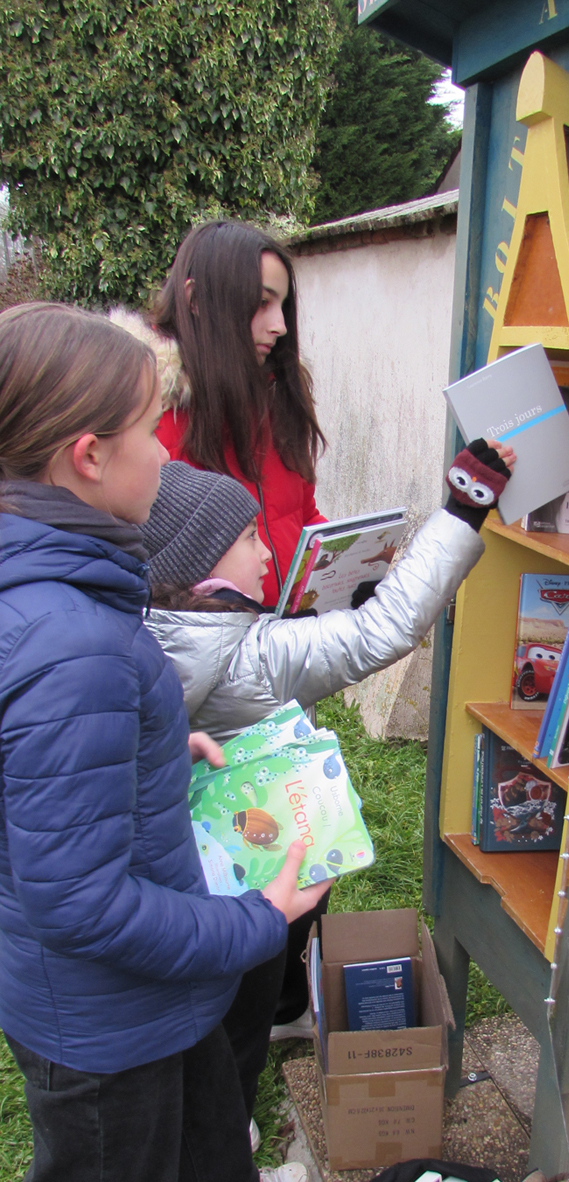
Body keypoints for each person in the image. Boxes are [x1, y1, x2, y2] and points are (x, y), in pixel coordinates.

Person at [0, 302, 329, 1182]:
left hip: (138, 1014)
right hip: (112, 1037)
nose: (167, 456)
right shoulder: (72, 639)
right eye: (153, 432)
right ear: (90, 454)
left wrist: (144, 748)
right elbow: (82, 904)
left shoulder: (41, 588)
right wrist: (255, 924)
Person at [139, 439, 515, 1127]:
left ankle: (238, 1074)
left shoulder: (143, 633)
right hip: (261, 859)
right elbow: (386, 628)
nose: (264, 552)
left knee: (205, 1005)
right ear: (199, 568)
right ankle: (232, 1126)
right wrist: (465, 508)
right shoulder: (258, 653)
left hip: (182, 869)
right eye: (249, 538)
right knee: (244, 999)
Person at [110, 219, 326, 608]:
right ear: (196, 299)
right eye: (261, 303)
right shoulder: (149, 427)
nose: (279, 326)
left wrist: (344, 566)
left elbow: (302, 516)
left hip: (295, 645)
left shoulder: (279, 399)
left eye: (283, 305)